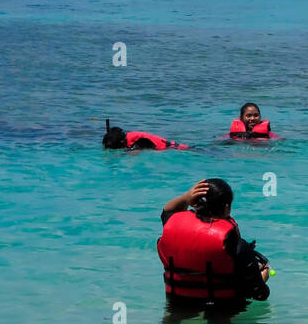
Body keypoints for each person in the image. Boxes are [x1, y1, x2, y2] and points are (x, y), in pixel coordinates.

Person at [157, 178, 271, 308]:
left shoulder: (172, 225)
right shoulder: (233, 242)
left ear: (194, 203)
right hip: (221, 311)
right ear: (227, 207)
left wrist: (186, 197)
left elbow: (167, 211)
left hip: (178, 304)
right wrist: (263, 276)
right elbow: (259, 294)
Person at [103, 124, 188, 151]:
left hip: (178, 149)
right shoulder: (129, 137)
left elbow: (133, 156)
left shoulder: (138, 142)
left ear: (121, 142)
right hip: (176, 147)